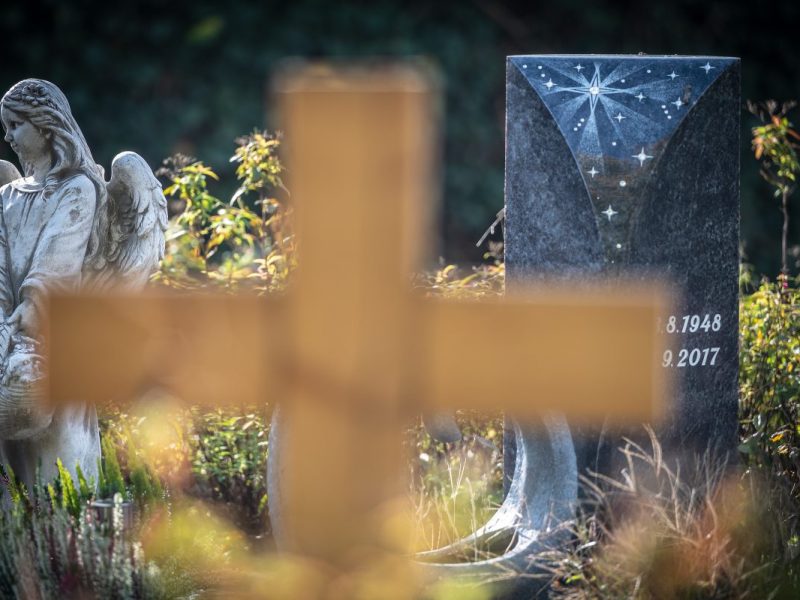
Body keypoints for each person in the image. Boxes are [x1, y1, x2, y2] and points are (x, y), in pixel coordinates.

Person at [0, 79, 106, 490]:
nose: (8, 136)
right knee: (12, 474)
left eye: (16, 125)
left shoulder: (76, 188)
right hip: (11, 333)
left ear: (46, 127)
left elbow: (58, 253)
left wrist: (32, 302)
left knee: (57, 472)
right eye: (5, 126)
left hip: (56, 339)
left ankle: (71, 548)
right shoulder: (6, 194)